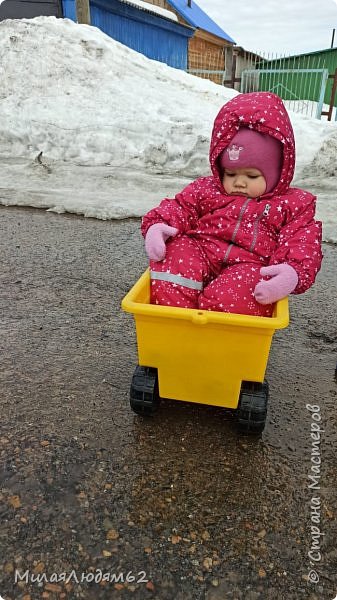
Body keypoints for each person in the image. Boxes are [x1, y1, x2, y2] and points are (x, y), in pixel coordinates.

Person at [141, 92, 322, 317]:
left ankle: (221, 329)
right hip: (203, 251)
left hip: (250, 265)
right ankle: (175, 318)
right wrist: (158, 225)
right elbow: (181, 206)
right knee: (175, 252)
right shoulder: (207, 189)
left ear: (277, 173)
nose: (239, 182)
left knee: (245, 288)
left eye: (252, 176)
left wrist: (292, 271)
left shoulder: (292, 205)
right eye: (230, 173)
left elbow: (301, 241)